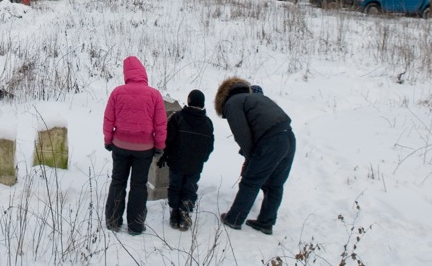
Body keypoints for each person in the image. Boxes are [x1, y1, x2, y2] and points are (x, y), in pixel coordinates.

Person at [214, 77, 295, 235]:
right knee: (275, 184)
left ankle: (234, 218)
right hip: (289, 137)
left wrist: (251, 158)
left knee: (251, 181)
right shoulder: (258, 98)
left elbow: (242, 134)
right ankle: (266, 222)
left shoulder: (233, 103)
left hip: (271, 141)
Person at [103, 56, 167, 235]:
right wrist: (159, 145)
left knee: (118, 182)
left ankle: (113, 221)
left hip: (120, 146)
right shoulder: (154, 94)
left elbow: (109, 120)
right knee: (139, 186)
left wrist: (108, 140)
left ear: (126, 73)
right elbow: (161, 124)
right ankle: (136, 225)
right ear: (143, 72)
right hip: (144, 148)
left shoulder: (117, 92)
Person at [157, 89, 214, 231]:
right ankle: (185, 213)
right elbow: (209, 145)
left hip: (176, 161)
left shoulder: (178, 118)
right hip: (195, 165)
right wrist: (203, 159)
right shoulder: (208, 123)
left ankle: (174, 213)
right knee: (190, 188)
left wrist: (165, 156)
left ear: (189, 101)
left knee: (175, 187)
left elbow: (168, 140)